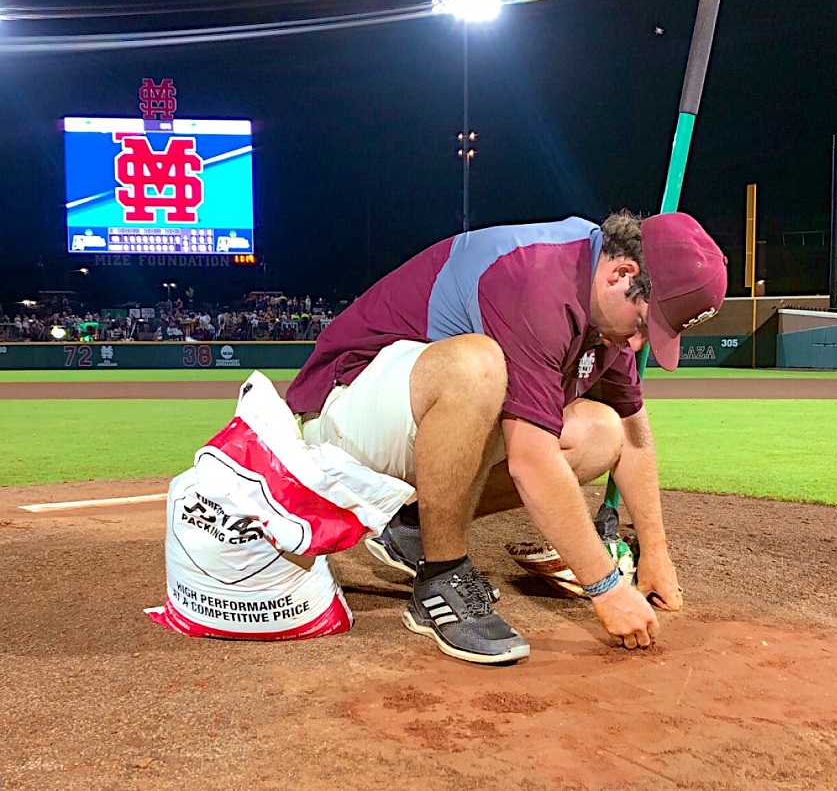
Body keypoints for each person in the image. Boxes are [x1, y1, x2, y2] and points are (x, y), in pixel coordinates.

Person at [286, 210, 727, 665]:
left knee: (602, 430)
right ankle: (441, 579)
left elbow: (635, 437)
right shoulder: (536, 279)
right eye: (642, 323)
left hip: (415, 422)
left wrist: (656, 553)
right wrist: (606, 587)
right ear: (621, 273)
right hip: (346, 407)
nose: (637, 345)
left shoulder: (602, 312)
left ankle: (414, 528)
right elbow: (531, 461)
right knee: (480, 366)